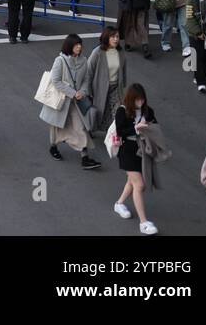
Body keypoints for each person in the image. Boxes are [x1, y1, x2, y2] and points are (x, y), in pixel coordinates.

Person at [42, 34, 103, 170]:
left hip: (75, 102)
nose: (79, 47)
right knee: (56, 127)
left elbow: (87, 79)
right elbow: (56, 81)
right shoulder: (60, 61)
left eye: (80, 44)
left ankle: (85, 157)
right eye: (76, 45)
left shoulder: (84, 61)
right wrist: (73, 93)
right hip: (61, 101)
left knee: (80, 127)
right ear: (69, 46)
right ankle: (53, 147)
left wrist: (83, 91)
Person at [112, 84, 159, 235]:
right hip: (127, 150)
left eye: (142, 100)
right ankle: (143, 222)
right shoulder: (122, 110)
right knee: (139, 185)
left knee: (132, 181)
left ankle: (119, 204)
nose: (140, 103)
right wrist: (136, 128)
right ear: (131, 99)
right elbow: (120, 131)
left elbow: (155, 125)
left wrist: (149, 127)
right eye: (137, 100)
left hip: (142, 150)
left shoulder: (148, 110)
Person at [84, 27, 127, 141]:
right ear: (106, 38)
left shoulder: (120, 52)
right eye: (113, 37)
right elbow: (89, 72)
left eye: (117, 36)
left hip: (115, 88)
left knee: (117, 112)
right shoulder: (98, 52)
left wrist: (123, 85)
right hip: (99, 89)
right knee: (97, 112)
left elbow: (123, 69)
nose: (116, 39)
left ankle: (115, 135)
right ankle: (88, 129)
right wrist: (88, 91)